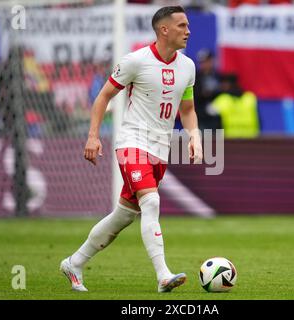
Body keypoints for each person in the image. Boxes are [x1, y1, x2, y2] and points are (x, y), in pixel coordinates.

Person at [60, 5, 202, 293]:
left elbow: (187, 109)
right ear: (164, 30)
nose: (188, 31)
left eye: (187, 26)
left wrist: (194, 136)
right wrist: (93, 136)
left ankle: (74, 262)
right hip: (132, 142)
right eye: (182, 26)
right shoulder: (135, 61)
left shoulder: (188, 66)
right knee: (152, 202)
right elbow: (103, 97)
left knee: (124, 215)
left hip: (160, 149)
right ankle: (163, 275)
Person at [194, 49, 222, 130]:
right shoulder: (196, 77)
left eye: (207, 61)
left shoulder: (218, 77)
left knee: (218, 140)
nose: (204, 64)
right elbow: (194, 95)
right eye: (202, 62)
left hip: (216, 116)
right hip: (201, 115)